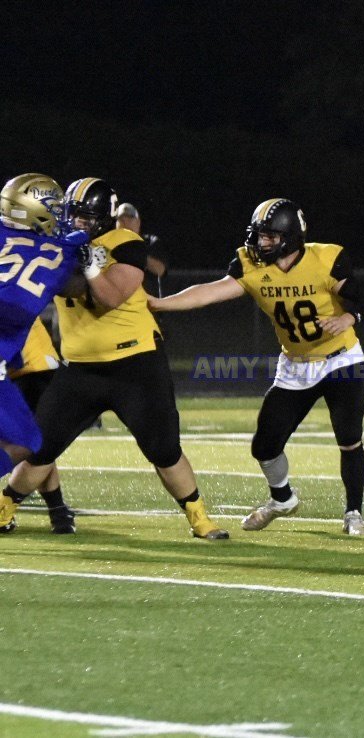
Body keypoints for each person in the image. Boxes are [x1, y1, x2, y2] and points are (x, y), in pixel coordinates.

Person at [2, 177, 228, 540]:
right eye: (73, 214)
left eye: (86, 216)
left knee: (163, 449)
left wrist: (89, 266)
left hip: (134, 364)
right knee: (40, 447)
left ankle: (200, 518)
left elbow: (110, 297)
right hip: (79, 368)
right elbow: (57, 285)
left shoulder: (125, 242)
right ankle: (4, 508)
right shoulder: (56, 244)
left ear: (104, 217)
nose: (78, 221)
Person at [150, 198, 364, 534]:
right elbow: (210, 291)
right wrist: (162, 303)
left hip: (340, 358)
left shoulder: (325, 259)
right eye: (259, 235)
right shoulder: (250, 265)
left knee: (349, 438)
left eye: (269, 236)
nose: (260, 242)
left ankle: (354, 512)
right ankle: (282, 499)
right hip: (295, 365)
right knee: (264, 446)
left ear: (290, 237)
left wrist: (347, 317)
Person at [0, 173, 87, 535]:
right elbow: (80, 288)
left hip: (8, 360)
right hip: (17, 355)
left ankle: (57, 510)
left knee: (30, 441)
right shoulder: (57, 251)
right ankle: (57, 511)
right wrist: (86, 256)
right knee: (30, 441)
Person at [8, 317, 75, 533]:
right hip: (27, 368)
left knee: (34, 446)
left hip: (31, 368)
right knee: (37, 446)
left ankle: (58, 512)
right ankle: (59, 513)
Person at [115, 203, 168, 296]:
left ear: (138, 222)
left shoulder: (150, 241)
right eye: (122, 220)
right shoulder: (109, 244)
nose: (126, 223)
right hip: (118, 301)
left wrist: (134, 252)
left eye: (130, 219)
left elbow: (160, 270)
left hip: (147, 302)